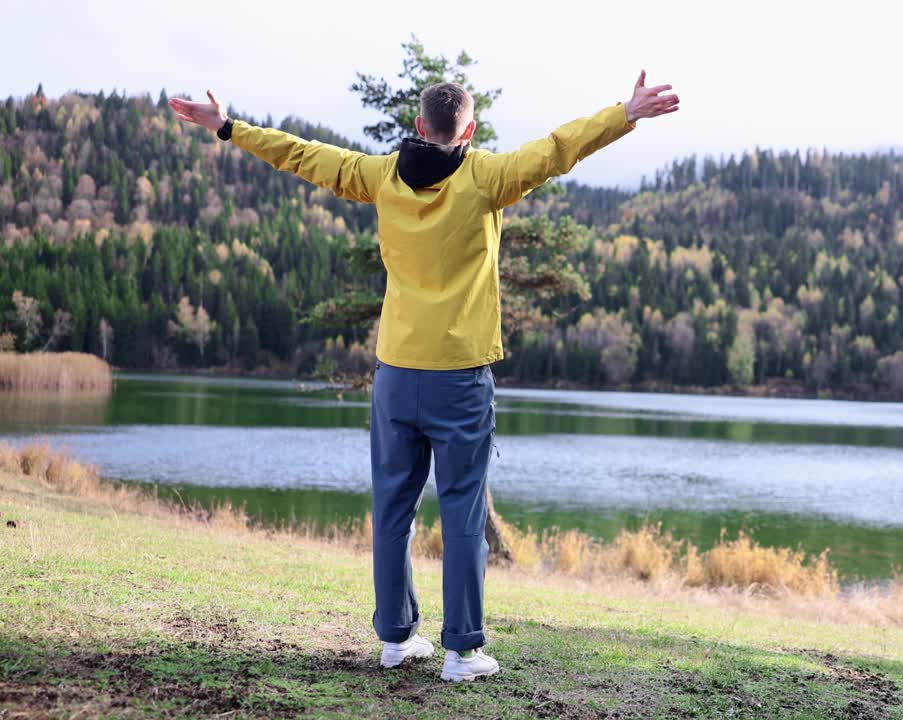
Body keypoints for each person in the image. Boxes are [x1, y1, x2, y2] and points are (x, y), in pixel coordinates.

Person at [168, 70, 679, 682]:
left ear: (418, 127)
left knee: (392, 508)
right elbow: (558, 148)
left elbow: (302, 156)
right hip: (458, 376)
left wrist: (227, 127)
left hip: (395, 373)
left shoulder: (380, 176)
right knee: (461, 510)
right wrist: (625, 113)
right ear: (469, 131)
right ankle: (462, 652)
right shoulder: (485, 176)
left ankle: (395, 639)